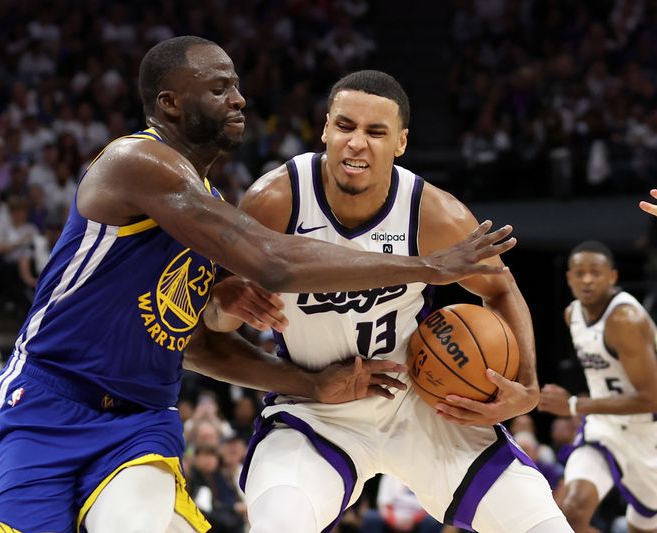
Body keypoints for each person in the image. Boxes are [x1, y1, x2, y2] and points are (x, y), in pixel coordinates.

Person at [0, 37, 516, 533]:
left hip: (139, 422)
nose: (239, 99)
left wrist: (307, 383)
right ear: (169, 104)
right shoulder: (136, 162)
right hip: (48, 402)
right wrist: (428, 267)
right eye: (220, 87)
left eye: (238, 86)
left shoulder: (208, 204)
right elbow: (273, 261)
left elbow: (196, 345)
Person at [201, 70, 570, 532]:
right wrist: (224, 308)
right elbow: (210, 327)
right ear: (325, 129)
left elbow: (500, 288)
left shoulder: (433, 212)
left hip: (423, 399)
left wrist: (529, 389)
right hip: (315, 409)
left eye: (376, 132)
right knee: (278, 523)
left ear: (400, 142)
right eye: (345, 126)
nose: (357, 143)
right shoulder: (276, 201)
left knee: (542, 525)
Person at [538, 241, 657, 533]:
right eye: (579, 273)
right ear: (569, 278)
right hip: (603, 428)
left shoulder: (625, 319)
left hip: (647, 432)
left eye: (595, 272)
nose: (587, 279)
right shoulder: (573, 315)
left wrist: (576, 406)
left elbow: (651, 398)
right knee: (571, 513)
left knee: (643, 527)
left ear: (613, 277)